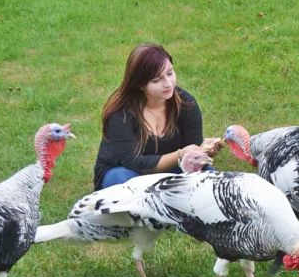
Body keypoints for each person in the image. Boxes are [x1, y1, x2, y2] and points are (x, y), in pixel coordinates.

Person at [93, 43, 219, 190]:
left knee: (210, 176)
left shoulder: (186, 104)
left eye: (170, 73)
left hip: (172, 170)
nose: (167, 84)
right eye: (156, 80)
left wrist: (202, 150)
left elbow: (191, 152)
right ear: (140, 84)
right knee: (125, 181)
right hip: (128, 172)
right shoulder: (121, 114)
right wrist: (180, 154)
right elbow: (134, 162)